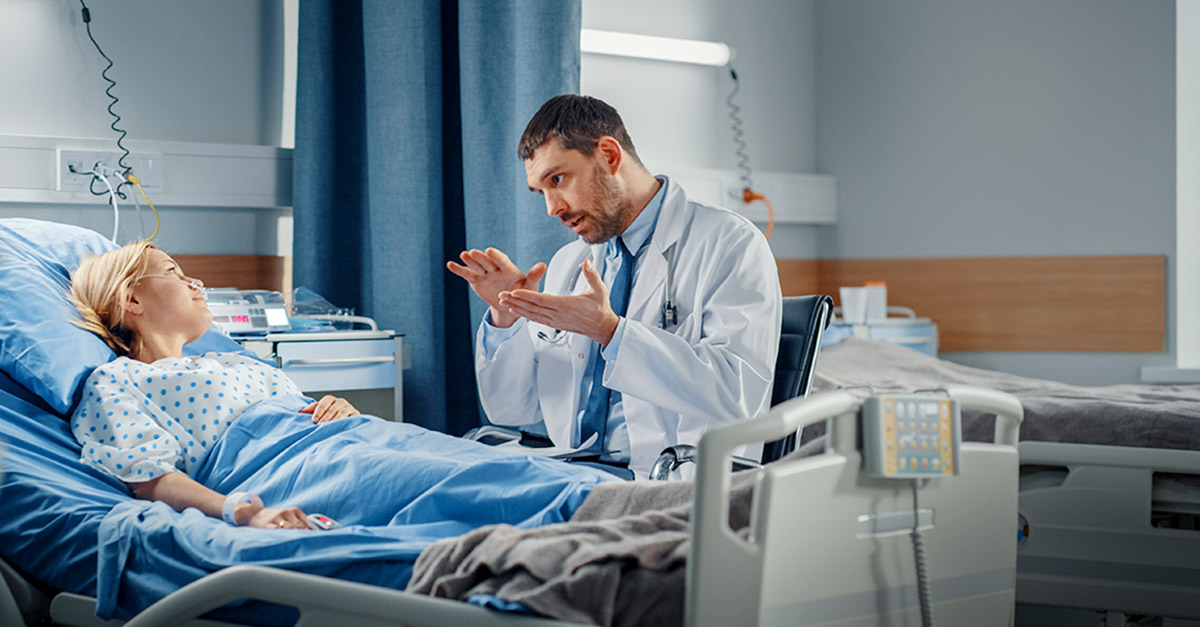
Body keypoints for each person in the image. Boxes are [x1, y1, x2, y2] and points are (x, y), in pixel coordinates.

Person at [447, 94, 782, 478]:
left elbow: (737, 395)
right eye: (542, 191)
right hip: (570, 472)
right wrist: (507, 316)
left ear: (608, 155)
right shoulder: (570, 264)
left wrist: (611, 332)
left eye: (558, 180)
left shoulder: (729, 243)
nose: (552, 208)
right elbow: (512, 410)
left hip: (668, 484)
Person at [69, 242, 362, 530]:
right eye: (173, 272)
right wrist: (245, 513)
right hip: (304, 474)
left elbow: (304, 417)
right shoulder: (118, 380)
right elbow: (149, 477)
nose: (196, 282)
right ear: (132, 300)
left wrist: (340, 410)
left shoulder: (236, 362)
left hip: (352, 445)